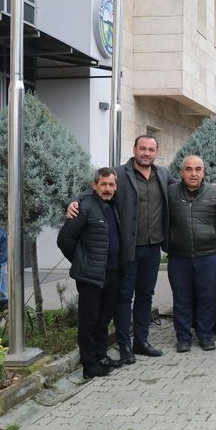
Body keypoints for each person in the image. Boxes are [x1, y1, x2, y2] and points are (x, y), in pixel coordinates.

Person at [68, 135, 173, 364]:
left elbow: (183, 187)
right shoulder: (118, 174)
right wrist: (74, 201)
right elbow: (93, 190)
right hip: (128, 248)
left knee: (146, 295)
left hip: (154, 247)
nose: (146, 153)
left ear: (156, 152)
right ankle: (125, 345)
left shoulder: (163, 174)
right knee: (124, 297)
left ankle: (142, 341)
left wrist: (214, 186)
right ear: (134, 149)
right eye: (142, 148)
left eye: (151, 149)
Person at [57, 168, 124, 379]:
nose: (107, 189)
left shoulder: (114, 206)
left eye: (111, 185)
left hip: (112, 273)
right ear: (94, 185)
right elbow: (64, 239)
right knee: (89, 320)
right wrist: (81, 261)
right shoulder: (83, 207)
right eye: (103, 184)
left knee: (104, 318)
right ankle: (89, 364)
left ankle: (101, 356)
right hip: (91, 276)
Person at [166, 155, 216, 352]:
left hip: (209, 256)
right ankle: (183, 338)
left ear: (203, 172)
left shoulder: (215, 194)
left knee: (207, 298)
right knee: (181, 299)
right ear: (182, 172)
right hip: (179, 257)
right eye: (189, 169)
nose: (193, 173)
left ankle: (205, 335)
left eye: (198, 169)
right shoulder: (170, 193)